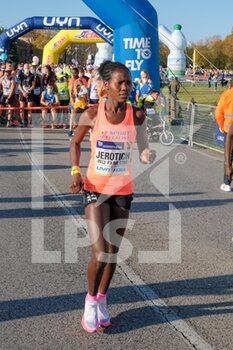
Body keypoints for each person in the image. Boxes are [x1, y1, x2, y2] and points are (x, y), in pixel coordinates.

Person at [69, 61, 156, 333]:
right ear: (105, 86)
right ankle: (90, 302)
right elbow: (75, 141)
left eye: (129, 82)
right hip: (95, 187)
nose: (126, 87)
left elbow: (142, 140)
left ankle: (102, 299)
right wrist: (75, 171)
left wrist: (144, 152)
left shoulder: (136, 114)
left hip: (122, 191)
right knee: (101, 251)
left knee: (114, 252)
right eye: (121, 83)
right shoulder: (93, 114)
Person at [215, 78, 233, 191]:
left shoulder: (226, 94)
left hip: (228, 130)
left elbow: (218, 113)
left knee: (228, 156)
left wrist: (221, 126)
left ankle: (227, 183)